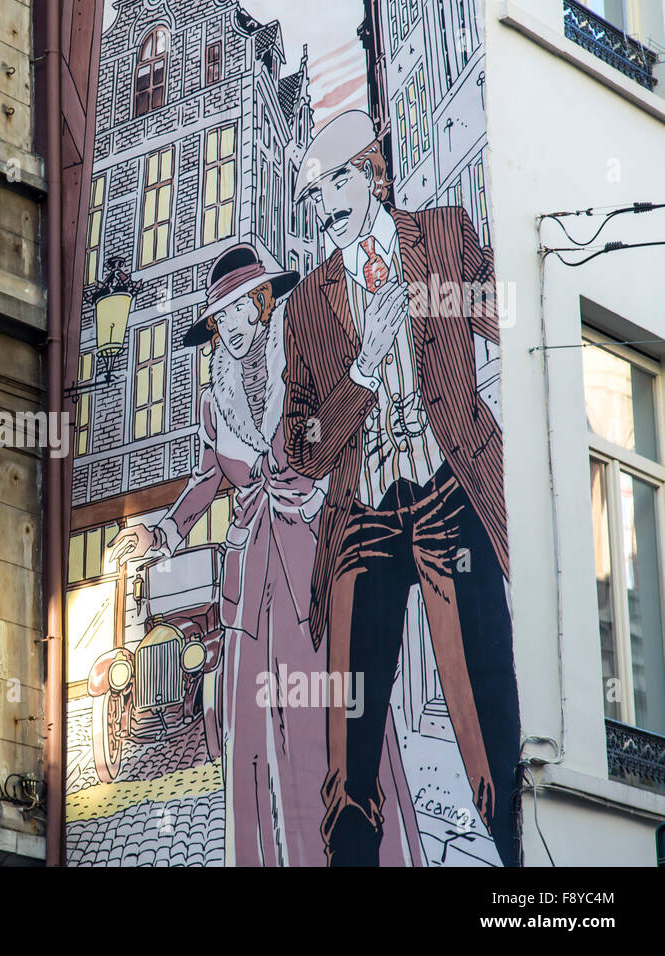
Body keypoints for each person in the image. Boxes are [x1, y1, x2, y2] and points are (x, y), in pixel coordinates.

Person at [110, 244, 417, 866]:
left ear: (262, 302)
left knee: (328, 712)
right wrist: (160, 534)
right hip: (251, 580)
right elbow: (205, 482)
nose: (229, 330)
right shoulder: (213, 398)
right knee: (255, 727)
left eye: (237, 313)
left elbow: (341, 431)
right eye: (218, 321)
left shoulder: (300, 361)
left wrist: (366, 372)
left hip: (313, 560)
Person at [284, 110, 520, 866]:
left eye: (333, 186)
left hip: (449, 490)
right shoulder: (306, 304)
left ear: (372, 172)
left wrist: (452, 300)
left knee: (484, 706)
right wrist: (360, 371)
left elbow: (509, 317)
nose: (322, 209)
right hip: (361, 516)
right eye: (313, 197)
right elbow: (302, 447)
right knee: (348, 744)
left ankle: (514, 857)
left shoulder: (443, 236)